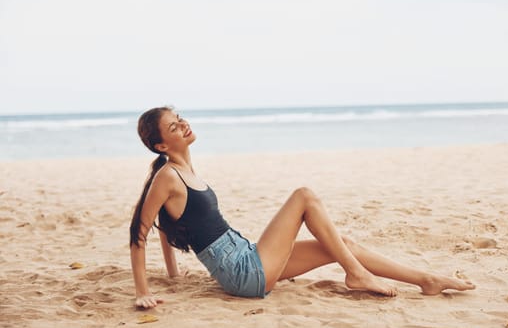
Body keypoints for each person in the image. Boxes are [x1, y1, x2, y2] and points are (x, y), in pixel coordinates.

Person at [129, 106, 475, 309]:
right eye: (174, 126)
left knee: (343, 246)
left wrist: (173, 274)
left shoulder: (182, 171)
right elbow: (140, 232)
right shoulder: (168, 177)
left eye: (180, 117)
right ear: (160, 144)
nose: (184, 124)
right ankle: (356, 274)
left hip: (247, 257)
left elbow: (168, 222)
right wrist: (143, 293)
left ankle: (426, 280)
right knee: (304, 196)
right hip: (241, 271)